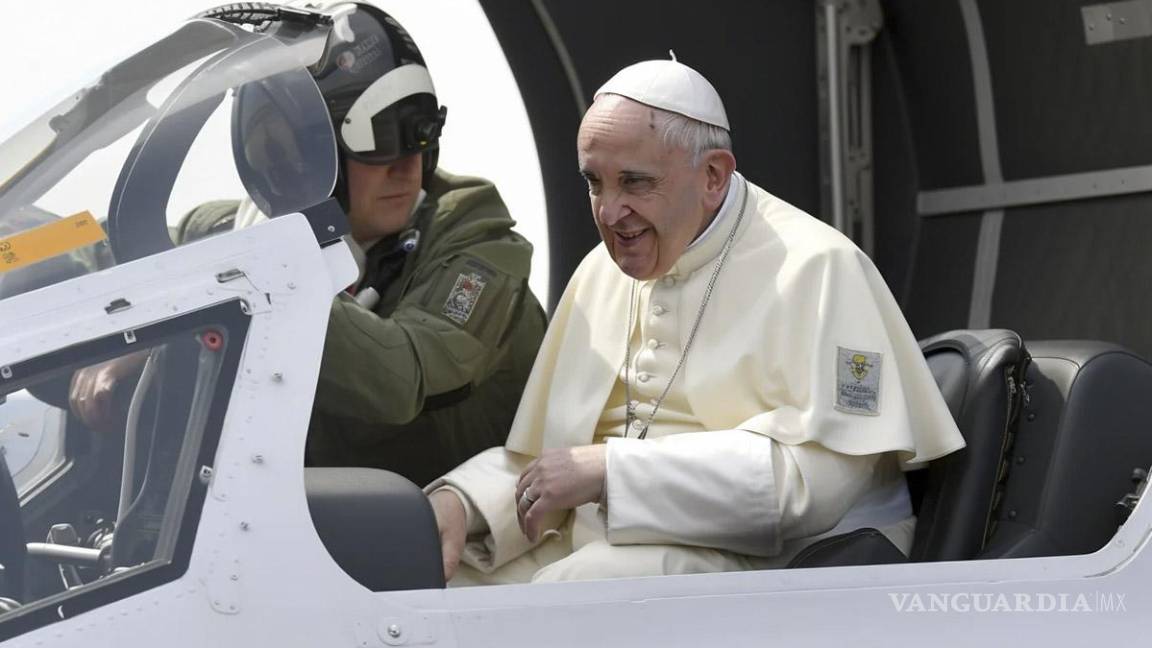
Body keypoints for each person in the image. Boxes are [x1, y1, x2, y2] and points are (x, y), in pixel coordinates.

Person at [425, 59, 965, 584]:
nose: (610, 213)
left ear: (712, 176)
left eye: (635, 183)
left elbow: (818, 488)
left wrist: (614, 471)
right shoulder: (599, 272)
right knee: (435, 586)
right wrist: (465, 503)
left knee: (580, 589)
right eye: (595, 183)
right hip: (608, 547)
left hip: (783, 563)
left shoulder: (821, 268)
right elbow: (552, 460)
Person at [72, 2, 548, 486]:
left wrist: (210, 291)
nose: (406, 164)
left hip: (462, 542)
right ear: (299, 153)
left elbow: (403, 379)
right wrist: (137, 325)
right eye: (379, 139)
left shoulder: (480, 246)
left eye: (419, 134)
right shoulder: (223, 234)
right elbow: (88, 266)